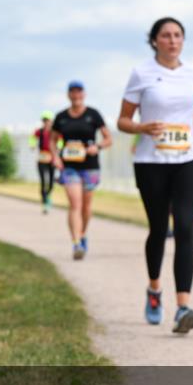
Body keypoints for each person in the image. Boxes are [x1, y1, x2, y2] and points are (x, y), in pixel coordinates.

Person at [117, 17, 193, 334]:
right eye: (166, 35)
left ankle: (183, 307)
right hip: (151, 159)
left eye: (178, 35)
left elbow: (186, 109)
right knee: (158, 228)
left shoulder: (192, 72)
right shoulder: (142, 73)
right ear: (154, 41)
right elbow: (123, 121)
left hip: (189, 155)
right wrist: (142, 127)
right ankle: (154, 290)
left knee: (185, 227)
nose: (172, 40)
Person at [50, 82, 112, 260]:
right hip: (70, 167)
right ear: (68, 95)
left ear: (84, 94)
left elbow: (108, 139)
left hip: (90, 166)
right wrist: (55, 157)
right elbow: (53, 140)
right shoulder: (61, 117)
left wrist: (97, 146)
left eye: (79, 91)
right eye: (72, 92)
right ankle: (76, 242)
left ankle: (83, 233)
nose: (76, 95)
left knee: (86, 206)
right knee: (74, 203)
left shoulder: (93, 114)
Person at [32, 111, 56, 214]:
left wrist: (59, 147)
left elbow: (60, 140)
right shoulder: (39, 131)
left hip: (51, 158)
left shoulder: (54, 132)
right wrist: (32, 145)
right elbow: (32, 139)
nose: (46, 122)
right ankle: (45, 203)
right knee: (43, 181)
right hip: (42, 158)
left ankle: (48, 195)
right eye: (44, 120)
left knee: (51, 182)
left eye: (48, 120)